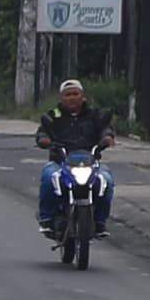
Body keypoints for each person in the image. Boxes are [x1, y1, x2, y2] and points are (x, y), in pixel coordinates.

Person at [36, 76, 110, 227]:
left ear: (82, 97)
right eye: (68, 95)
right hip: (60, 162)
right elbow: (43, 132)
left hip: (91, 163)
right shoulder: (53, 115)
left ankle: (100, 221)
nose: (72, 98)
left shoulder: (94, 114)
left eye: (75, 94)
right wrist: (44, 139)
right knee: (49, 177)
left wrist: (107, 137)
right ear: (61, 98)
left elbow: (105, 128)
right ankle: (47, 218)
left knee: (107, 181)